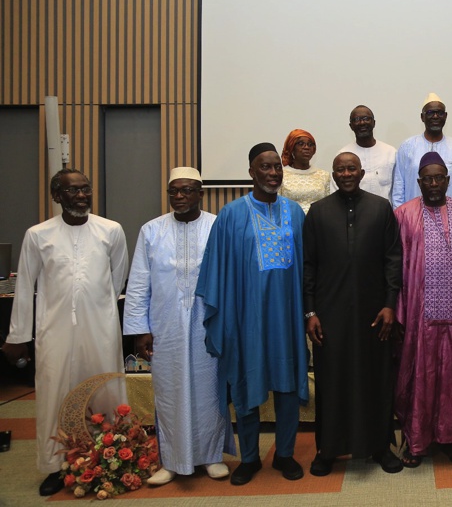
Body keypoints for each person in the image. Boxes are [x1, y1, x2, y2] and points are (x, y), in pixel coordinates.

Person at [2, 169, 128, 496]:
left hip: (100, 329)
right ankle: (56, 465)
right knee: (54, 393)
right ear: (57, 196)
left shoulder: (111, 230)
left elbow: (117, 279)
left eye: (86, 189)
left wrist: (94, 307)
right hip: (54, 329)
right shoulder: (38, 235)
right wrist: (18, 335)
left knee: (105, 390)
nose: (82, 195)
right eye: (73, 190)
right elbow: (25, 285)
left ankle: (108, 460)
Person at [197, 143, 308, 485]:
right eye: (265, 167)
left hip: (287, 317)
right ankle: (249, 457)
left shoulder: (295, 213)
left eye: (277, 167)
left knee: (287, 384)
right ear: (251, 172)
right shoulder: (231, 214)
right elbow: (217, 269)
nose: (273, 173)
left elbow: (307, 268)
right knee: (246, 382)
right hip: (247, 318)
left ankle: (285, 453)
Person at [123, 167, 234, 485]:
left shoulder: (217, 226)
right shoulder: (151, 230)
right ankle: (171, 461)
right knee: (169, 392)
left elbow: (230, 277)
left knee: (209, 390)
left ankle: (211, 456)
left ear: (200, 193)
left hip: (207, 325)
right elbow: (139, 282)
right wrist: (139, 329)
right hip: (165, 325)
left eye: (187, 190)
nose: (180, 196)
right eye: (174, 191)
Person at [304, 152, 403, 475]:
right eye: (340, 170)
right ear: (333, 175)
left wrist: (390, 304)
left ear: (361, 173)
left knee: (377, 379)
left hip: (374, 314)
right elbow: (308, 265)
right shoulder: (318, 212)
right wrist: (310, 311)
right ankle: (328, 450)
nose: (346, 174)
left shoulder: (381, 208)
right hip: (330, 314)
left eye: (351, 169)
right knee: (332, 381)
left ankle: (380, 447)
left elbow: (393, 259)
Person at [394, 152, 452, 468]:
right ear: (419, 182)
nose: (433, 183)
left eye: (439, 178)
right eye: (427, 179)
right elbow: (395, 265)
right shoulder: (403, 214)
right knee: (420, 376)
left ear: (448, 180)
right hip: (419, 312)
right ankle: (416, 440)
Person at [392, 92, 452, 208]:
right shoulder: (407, 147)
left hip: (450, 216)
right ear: (422, 117)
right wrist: (401, 215)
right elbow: (398, 187)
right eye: (430, 112)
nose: (435, 116)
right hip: (414, 215)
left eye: (439, 113)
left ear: (445, 116)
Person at [333, 105, 397, 201]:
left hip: (385, 210)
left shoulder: (390, 153)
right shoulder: (342, 155)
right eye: (356, 120)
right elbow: (335, 191)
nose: (362, 123)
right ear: (351, 126)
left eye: (366, 119)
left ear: (374, 123)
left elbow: (397, 190)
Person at [279, 129, 331, 213]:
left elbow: (328, 205)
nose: (306, 147)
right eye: (301, 144)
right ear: (292, 148)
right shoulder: (281, 175)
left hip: (317, 220)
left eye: (310, 144)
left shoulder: (324, 175)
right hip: (291, 220)